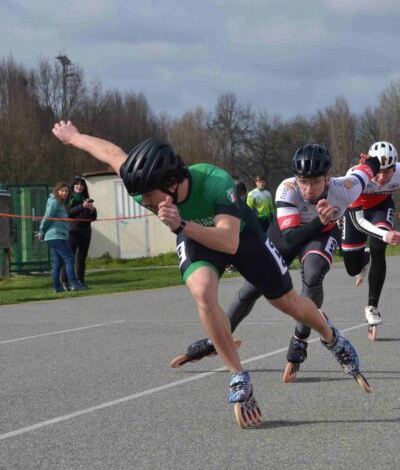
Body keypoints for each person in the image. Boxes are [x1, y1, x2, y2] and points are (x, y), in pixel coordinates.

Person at [52, 121, 369, 428]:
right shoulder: (144, 183)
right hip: (195, 238)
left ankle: (332, 337)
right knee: (202, 291)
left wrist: (180, 225)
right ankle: (239, 376)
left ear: (171, 184)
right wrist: (75, 137)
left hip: (240, 236)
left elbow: (228, 241)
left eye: (148, 197)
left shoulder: (215, 182)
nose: (144, 202)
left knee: (288, 303)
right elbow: (112, 153)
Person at [175, 144, 380, 387]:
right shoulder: (287, 189)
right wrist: (318, 220)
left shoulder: (346, 187)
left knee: (313, 274)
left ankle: (300, 339)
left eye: (315, 182)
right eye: (303, 181)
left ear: (328, 178)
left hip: (322, 234)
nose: (309, 189)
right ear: (295, 178)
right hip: (287, 234)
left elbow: (370, 168)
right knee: (251, 289)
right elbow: (291, 239)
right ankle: (219, 336)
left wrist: (372, 160)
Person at [341, 141, 400, 340]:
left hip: (381, 208)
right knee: (352, 268)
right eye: (378, 172)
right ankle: (363, 260)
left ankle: (372, 306)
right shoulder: (355, 176)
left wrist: (383, 235)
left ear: (394, 168)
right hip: (356, 214)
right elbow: (359, 222)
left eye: (387, 172)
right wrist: (385, 235)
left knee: (378, 247)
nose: (382, 178)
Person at [38, 182, 87, 293]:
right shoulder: (54, 202)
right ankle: (75, 284)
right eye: (62, 191)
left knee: (58, 263)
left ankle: (57, 288)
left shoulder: (60, 204)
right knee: (69, 258)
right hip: (55, 236)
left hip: (60, 236)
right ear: (57, 191)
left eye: (66, 191)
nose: (65, 193)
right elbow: (47, 217)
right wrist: (41, 231)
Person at [61, 176, 97, 290]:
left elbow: (93, 217)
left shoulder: (86, 199)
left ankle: (80, 282)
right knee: (69, 257)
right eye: (77, 184)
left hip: (86, 231)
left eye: (81, 184)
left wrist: (92, 210)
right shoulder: (69, 198)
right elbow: (67, 213)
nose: (79, 186)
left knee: (82, 257)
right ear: (73, 186)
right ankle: (65, 282)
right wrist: (82, 207)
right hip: (72, 231)